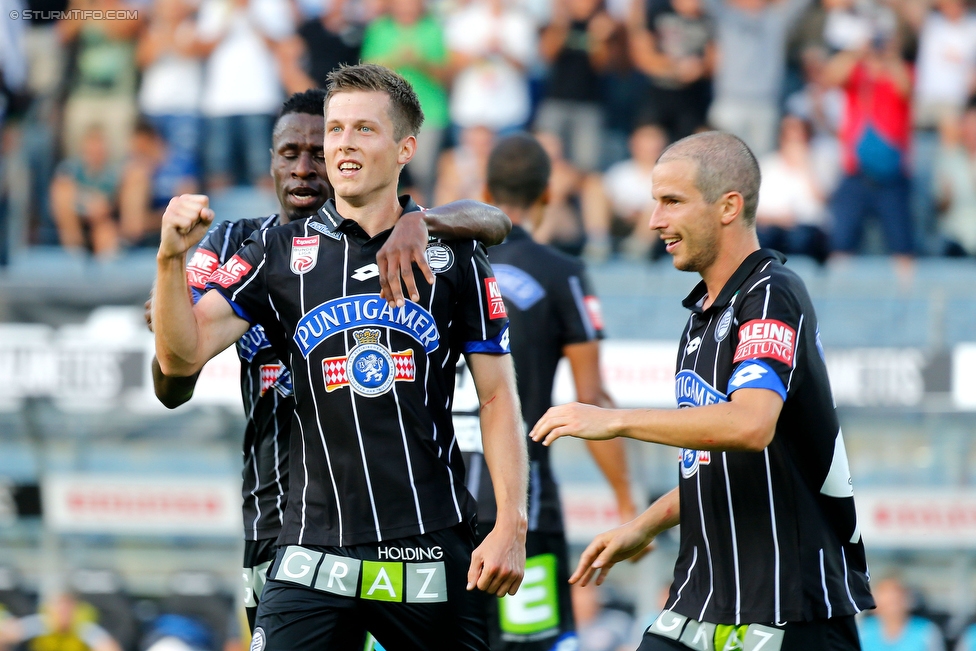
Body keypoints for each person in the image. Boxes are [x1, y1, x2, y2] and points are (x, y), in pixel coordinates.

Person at [152, 64, 528, 650]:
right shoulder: (275, 251)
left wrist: (511, 523)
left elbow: (498, 397)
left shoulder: (454, 259)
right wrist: (170, 262)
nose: (343, 145)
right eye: (335, 130)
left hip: (428, 542)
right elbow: (180, 360)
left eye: (363, 130)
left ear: (406, 147)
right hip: (309, 546)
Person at [530, 131, 875, 651]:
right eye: (654, 202)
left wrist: (615, 420)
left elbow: (749, 425)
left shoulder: (771, 293)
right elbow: (716, 463)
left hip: (789, 607)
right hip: (702, 598)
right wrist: (644, 525)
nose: (654, 221)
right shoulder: (700, 319)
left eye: (672, 201)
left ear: (728, 207)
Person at [453, 133, 637, 651]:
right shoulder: (563, 275)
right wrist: (626, 500)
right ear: (548, 195)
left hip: (439, 506)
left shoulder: (441, 266)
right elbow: (593, 394)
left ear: (485, 189)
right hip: (524, 508)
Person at [823, 32, 914, 265]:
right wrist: (856, 51)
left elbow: (906, 88)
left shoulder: (901, 72)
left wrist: (891, 58)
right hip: (856, 171)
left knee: (902, 247)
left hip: (892, 174)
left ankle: (907, 298)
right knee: (841, 244)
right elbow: (830, 77)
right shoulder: (857, 75)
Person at [50, 126, 121, 257]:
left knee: (106, 231)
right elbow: (63, 195)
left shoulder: (113, 173)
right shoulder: (70, 168)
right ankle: (75, 250)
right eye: (92, 146)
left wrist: (98, 207)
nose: (96, 150)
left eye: (99, 146)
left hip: (102, 221)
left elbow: (108, 203)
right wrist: (86, 204)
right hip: (76, 219)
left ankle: (108, 265)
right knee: (62, 193)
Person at [0, 592, 123, 651]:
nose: (63, 615)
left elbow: (109, 647)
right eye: (59, 610)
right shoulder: (42, 623)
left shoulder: (82, 627)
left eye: (67, 611)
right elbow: (7, 634)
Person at [856, 577, 944, 651]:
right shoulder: (862, 630)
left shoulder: (927, 631)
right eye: (888, 603)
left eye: (895, 601)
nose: (892, 608)